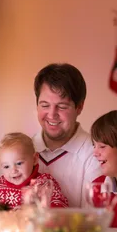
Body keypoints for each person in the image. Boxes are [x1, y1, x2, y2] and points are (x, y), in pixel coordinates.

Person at [32, 63, 102, 207]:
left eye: (62, 107)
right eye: (45, 105)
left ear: (79, 107)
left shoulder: (95, 154)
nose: (52, 115)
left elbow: (91, 219)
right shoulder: (24, 149)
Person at [0, 132, 68, 209]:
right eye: (6, 166)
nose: (13, 171)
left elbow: (60, 207)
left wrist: (43, 207)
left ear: (34, 159)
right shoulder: (0, 184)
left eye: (19, 163)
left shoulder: (44, 183)